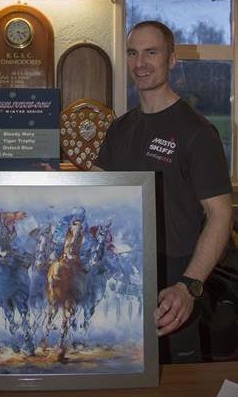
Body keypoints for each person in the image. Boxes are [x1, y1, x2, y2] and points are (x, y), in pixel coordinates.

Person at [94, 20, 233, 363]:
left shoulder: (197, 132)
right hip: (122, 276)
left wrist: (190, 286)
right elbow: (95, 191)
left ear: (171, 59)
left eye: (151, 52)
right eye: (132, 53)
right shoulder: (120, 129)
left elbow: (220, 214)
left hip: (173, 284)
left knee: (176, 380)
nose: (140, 62)